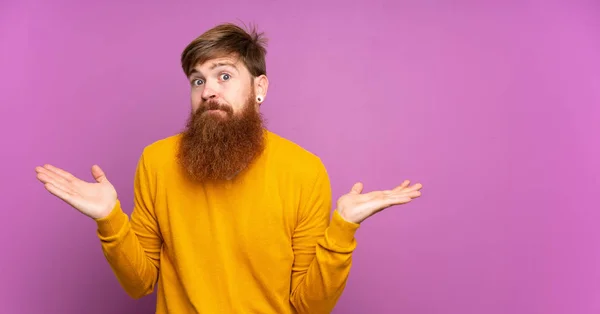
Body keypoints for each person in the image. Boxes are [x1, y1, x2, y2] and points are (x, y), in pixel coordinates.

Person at [34, 22, 423, 314]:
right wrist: (110, 220)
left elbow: (311, 306)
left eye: (224, 75)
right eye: (197, 80)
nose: (208, 91)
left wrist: (342, 230)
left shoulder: (304, 171)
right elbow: (140, 284)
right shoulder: (156, 161)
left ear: (260, 88)